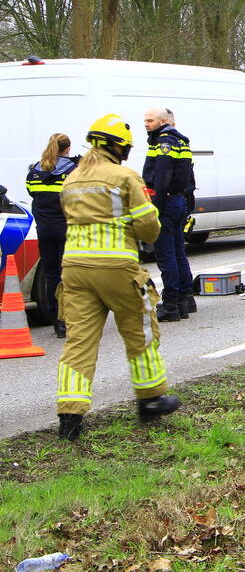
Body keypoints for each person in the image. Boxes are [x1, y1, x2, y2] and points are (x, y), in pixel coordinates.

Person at [56, 114, 180, 440]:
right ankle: (151, 400)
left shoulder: (71, 179)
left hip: (74, 269)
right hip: (117, 267)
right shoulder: (125, 176)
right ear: (117, 146)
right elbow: (148, 226)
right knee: (141, 332)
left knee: (79, 342)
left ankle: (70, 416)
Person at [142, 107, 196, 322]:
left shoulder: (164, 142)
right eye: (145, 120)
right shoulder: (181, 141)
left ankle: (171, 304)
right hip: (178, 200)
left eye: (150, 120)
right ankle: (185, 299)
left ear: (163, 121)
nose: (146, 124)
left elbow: (162, 177)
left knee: (166, 256)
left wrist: (154, 207)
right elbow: (188, 176)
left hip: (166, 203)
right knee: (178, 252)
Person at [25, 133, 78, 337]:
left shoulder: (34, 172)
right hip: (66, 228)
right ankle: (71, 319)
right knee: (70, 275)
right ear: (67, 149)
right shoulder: (72, 171)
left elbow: (32, 193)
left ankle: (58, 322)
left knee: (51, 274)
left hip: (44, 229)